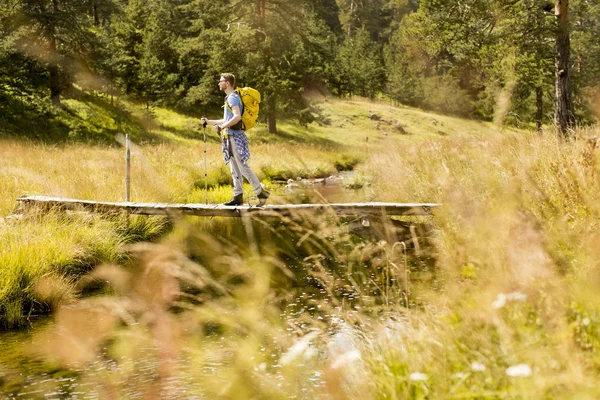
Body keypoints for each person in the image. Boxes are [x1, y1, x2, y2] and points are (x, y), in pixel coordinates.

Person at [201, 73, 270, 206]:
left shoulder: (232, 98)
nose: (218, 83)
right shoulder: (229, 98)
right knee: (234, 168)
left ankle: (261, 193)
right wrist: (209, 122)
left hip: (235, 136)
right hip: (229, 137)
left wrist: (222, 127)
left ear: (227, 83)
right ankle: (238, 196)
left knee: (242, 167)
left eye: (220, 81)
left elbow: (237, 117)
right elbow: (227, 119)